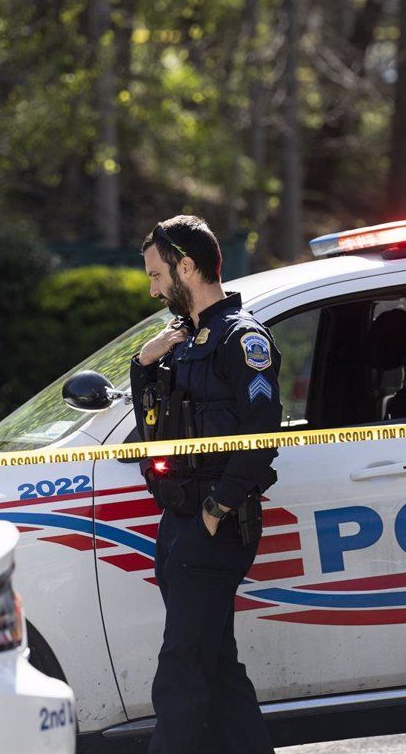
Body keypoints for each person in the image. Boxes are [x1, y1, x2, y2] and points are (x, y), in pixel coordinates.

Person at [129, 215, 282, 754]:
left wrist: (216, 510)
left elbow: (262, 437)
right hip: (180, 524)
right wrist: (142, 363)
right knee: (215, 665)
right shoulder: (187, 339)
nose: (153, 287)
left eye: (156, 274)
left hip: (213, 525)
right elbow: (154, 421)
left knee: (182, 669)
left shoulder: (240, 339)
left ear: (186, 267)